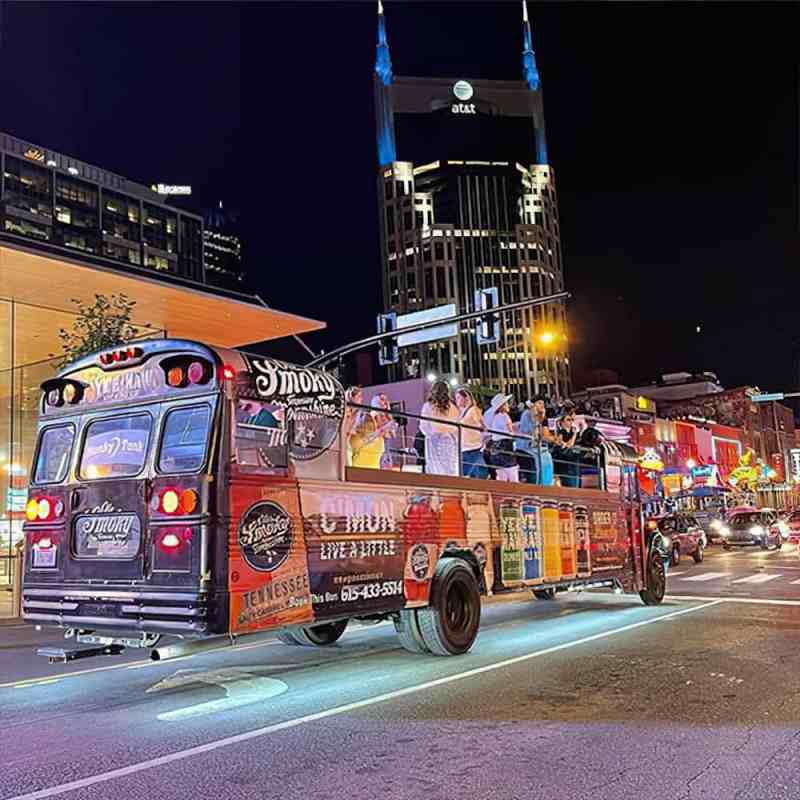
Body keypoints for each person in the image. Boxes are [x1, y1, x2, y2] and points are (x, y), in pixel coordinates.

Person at [419, 380, 460, 476]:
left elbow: (423, 426)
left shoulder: (428, 406)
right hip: (450, 440)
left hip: (434, 439)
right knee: (450, 466)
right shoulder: (453, 407)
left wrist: (430, 434)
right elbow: (457, 425)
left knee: (435, 467)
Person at [515, 395, 555, 485]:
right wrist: (537, 417)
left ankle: (546, 483)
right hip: (525, 445)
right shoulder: (527, 414)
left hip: (536, 445)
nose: (542, 405)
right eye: (539, 403)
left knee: (547, 455)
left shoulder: (541, 416)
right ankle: (539, 483)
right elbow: (531, 431)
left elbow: (543, 433)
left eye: (543, 404)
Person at [350, 396, 395, 469]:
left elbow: (392, 434)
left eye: (386, 400)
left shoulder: (386, 416)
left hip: (380, 445)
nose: (385, 402)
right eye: (382, 399)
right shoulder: (373, 414)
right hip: (372, 442)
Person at [483, 393, 519, 482]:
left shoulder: (493, 417)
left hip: (495, 448)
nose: (508, 405)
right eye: (506, 403)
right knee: (513, 475)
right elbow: (510, 432)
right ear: (502, 405)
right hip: (506, 448)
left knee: (501, 477)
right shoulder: (504, 416)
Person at [455, 388, 487, 479]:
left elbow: (483, 426)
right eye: (456, 398)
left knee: (473, 475)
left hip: (472, 448)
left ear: (466, 398)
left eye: (458, 397)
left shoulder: (473, 410)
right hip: (464, 447)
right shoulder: (462, 412)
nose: (456, 400)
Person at [553, 409, 580, 488]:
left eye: (571, 420)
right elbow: (569, 444)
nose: (571, 422)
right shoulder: (562, 432)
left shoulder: (570, 432)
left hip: (570, 462)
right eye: (568, 420)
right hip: (564, 462)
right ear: (562, 422)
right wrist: (575, 434)